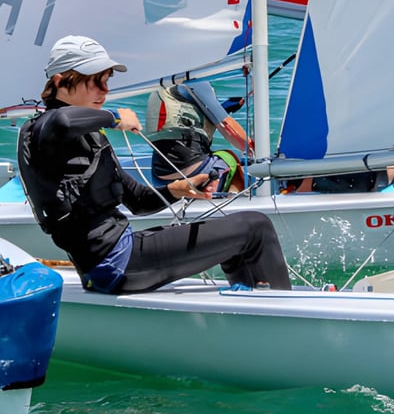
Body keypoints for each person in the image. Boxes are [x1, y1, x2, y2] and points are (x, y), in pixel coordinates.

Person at [17, 35, 292, 294]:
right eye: (94, 82)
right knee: (256, 227)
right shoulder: (43, 129)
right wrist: (115, 118)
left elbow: (138, 200)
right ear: (60, 81)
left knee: (231, 238)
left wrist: (177, 189)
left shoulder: (87, 137)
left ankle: (251, 306)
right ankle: (284, 313)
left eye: (106, 81)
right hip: (115, 262)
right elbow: (63, 121)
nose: (105, 90)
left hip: (112, 260)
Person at [144, 82, 249, 194]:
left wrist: (224, 108)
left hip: (160, 179)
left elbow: (185, 122)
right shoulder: (197, 83)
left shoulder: (165, 86)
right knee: (231, 158)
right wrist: (251, 146)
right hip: (193, 172)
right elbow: (226, 125)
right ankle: (230, 199)